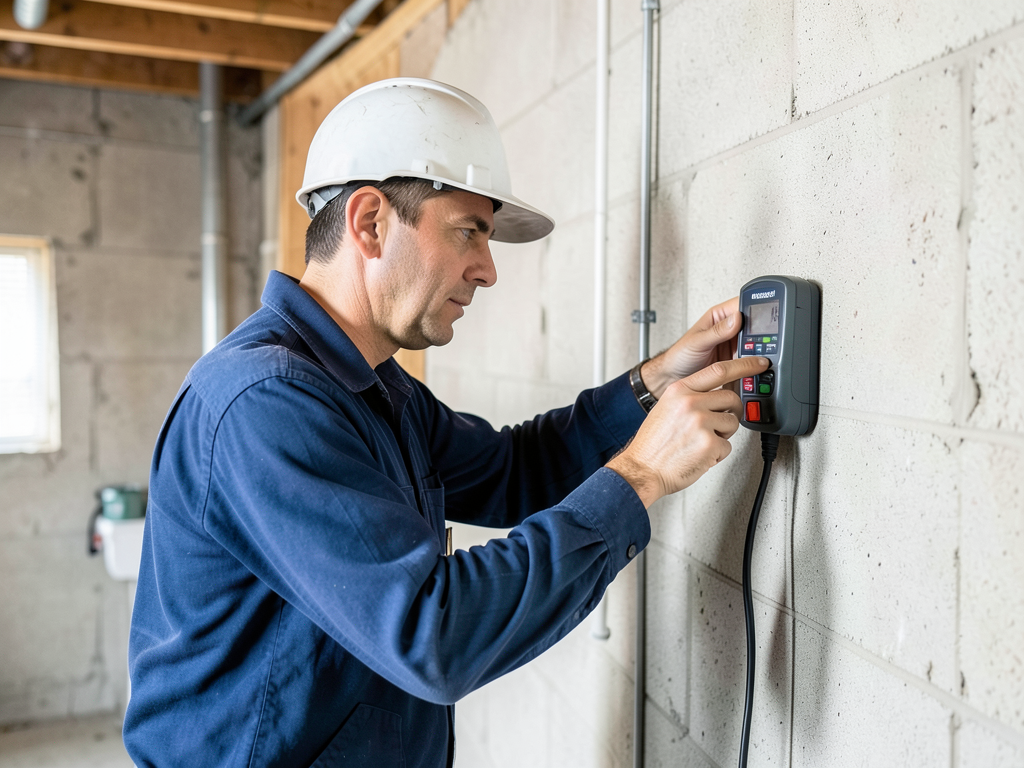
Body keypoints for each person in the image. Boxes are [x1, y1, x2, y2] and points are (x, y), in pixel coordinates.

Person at [122, 78, 768, 768]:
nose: (487, 271)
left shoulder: (373, 385)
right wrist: (640, 475)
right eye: (468, 232)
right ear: (370, 223)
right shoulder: (266, 403)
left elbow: (513, 472)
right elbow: (432, 632)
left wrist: (652, 385)